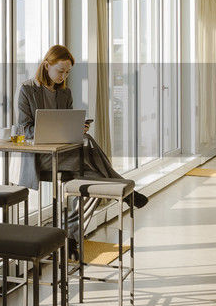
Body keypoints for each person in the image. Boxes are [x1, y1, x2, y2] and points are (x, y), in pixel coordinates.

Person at [15, 44, 147, 253]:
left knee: (92, 176)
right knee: (89, 149)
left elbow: (67, 125)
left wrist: (77, 127)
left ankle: (71, 238)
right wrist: (49, 130)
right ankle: (124, 189)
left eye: (67, 72)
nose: (63, 76)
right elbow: (24, 129)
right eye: (60, 71)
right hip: (42, 157)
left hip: (68, 156)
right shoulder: (27, 89)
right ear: (46, 65)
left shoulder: (65, 93)